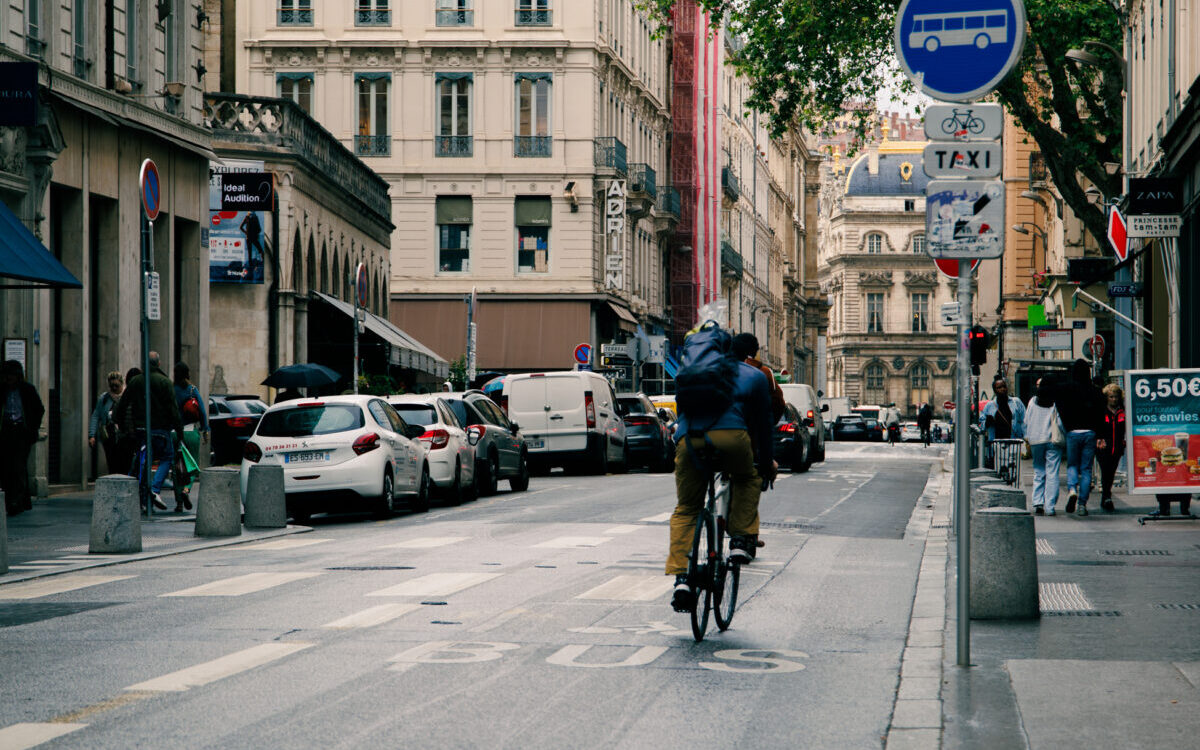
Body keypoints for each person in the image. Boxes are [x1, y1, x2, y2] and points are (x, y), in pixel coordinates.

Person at [668, 337, 776, 612]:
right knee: (746, 478)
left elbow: (681, 412)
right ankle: (740, 540)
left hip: (689, 441)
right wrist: (765, 465)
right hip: (732, 437)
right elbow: (764, 426)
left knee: (687, 509)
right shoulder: (754, 374)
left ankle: (682, 577)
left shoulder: (688, 373)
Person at [113, 352, 183, 511]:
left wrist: (121, 425)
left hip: (140, 430)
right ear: (159, 364)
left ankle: (141, 498)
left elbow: (122, 405)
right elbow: (173, 409)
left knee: (142, 461)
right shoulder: (165, 382)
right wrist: (179, 432)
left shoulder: (136, 381)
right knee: (167, 457)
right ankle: (155, 488)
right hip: (160, 429)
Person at [1055, 359, 1104, 516]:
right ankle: (1082, 504)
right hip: (1090, 432)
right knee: (1086, 469)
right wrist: (1099, 434)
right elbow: (1100, 414)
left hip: (1072, 432)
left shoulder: (1066, 389)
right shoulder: (1095, 391)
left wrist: (1068, 425)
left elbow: (1059, 407)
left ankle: (1071, 489)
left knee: (1072, 465)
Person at [1, 360, 45, 516]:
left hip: (21, 432)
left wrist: (32, 428)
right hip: (5, 431)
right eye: (7, 376)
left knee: (18, 466)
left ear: (18, 376)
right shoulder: (3, 390)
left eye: (12, 376)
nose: (9, 379)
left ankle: (16, 501)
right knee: (6, 466)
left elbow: (39, 409)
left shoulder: (27, 390)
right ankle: (10, 499)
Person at [172, 362, 209, 512]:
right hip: (190, 432)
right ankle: (186, 489)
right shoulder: (193, 390)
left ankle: (179, 503)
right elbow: (202, 412)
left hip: (174, 433)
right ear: (188, 374)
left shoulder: (171, 390)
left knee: (177, 468)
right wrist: (205, 430)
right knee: (192, 466)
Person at [1024, 378, 1064, 516]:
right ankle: (1050, 506)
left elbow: (1026, 420)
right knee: (1052, 472)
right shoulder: (1055, 401)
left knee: (1039, 471)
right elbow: (1059, 422)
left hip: (1036, 440)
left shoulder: (1033, 401)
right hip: (1052, 440)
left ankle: (1037, 502)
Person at [731, 333, 785, 423]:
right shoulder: (764, 373)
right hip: (755, 428)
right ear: (755, 351)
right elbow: (778, 403)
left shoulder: (723, 369)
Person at [979, 376, 1026, 468]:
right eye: (999, 387)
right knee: (999, 469)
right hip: (996, 444)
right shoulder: (989, 406)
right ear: (995, 390)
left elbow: (1024, 421)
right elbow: (982, 426)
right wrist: (988, 422)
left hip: (1013, 443)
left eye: (1004, 386)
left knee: (1013, 470)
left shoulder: (1016, 402)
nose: (1002, 389)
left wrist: (1026, 439)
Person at [1095, 383, 1126, 513]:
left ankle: (1106, 496)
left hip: (1117, 447)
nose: (1114, 399)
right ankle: (1107, 496)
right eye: (1111, 397)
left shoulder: (1123, 411)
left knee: (1111, 472)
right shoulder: (1101, 411)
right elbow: (1096, 426)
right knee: (1105, 471)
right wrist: (1099, 438)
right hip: (1103, 447)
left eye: (1116, 397)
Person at [88, 371, 125, 476]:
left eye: (116, 386)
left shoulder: (125, 397)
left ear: (122, 384)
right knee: (111, 460)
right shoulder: (104, 398)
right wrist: (92, 435)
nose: (113, 388)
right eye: (111, 386)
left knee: (122, 461)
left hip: (123, 435)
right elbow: (96, 416)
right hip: (109, 436)